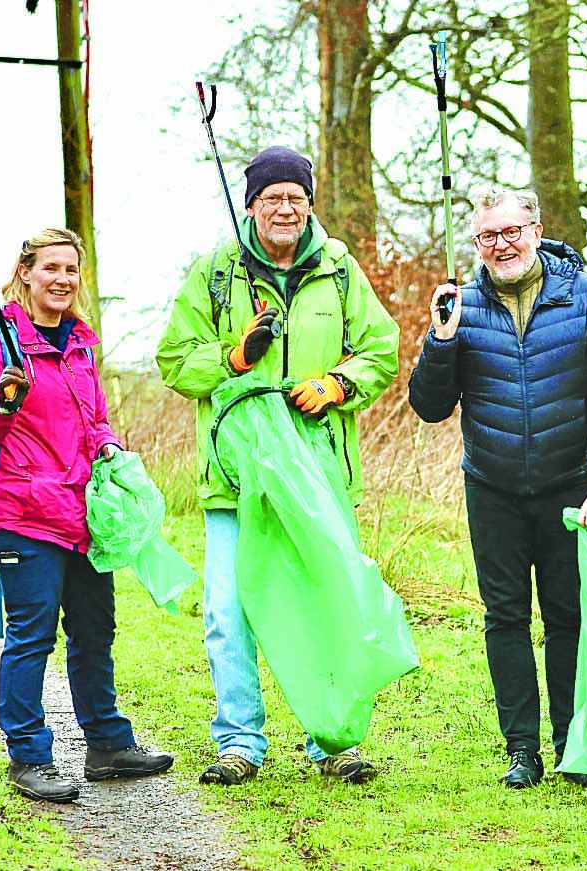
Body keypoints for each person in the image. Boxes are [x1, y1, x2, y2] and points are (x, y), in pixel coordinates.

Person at [155, 146, 399, 786]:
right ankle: (239, 741)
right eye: (271, 197)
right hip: (236, 482)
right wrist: (233, 357)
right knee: (228, 610)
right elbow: (176, 360)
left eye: (295, 195)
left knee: (328, 604)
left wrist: (339, 384)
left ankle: (336, 739)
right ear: (252, 205)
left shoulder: (340, 269)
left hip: (319, 473)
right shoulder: (215, 272)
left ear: (309, 202)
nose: (284, 207)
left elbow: (380, 349)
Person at [408, 186, 587, 789]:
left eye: (512, 232)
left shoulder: (584, 297)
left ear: (536, 232)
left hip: (570, 486)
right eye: (488, 236)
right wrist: (441, 340)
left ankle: (571, 744)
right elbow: (430, 407)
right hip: (493, 486)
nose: (501, 245)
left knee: (567, 618)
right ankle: (522, 750)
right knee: (504, 617)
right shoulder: (460, 304)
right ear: (477, 242)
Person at [0, 228, 174, 803]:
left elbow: (93, 417)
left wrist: (107, 444)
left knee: (94, 629)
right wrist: (5, 402)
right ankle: (29, 757)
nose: (62, 279)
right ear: (24, 272)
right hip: (21, 513)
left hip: (79, 513)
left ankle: (106, 744)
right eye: (50, 267)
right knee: (32, 636)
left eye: (71, 270)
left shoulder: (78, 344)